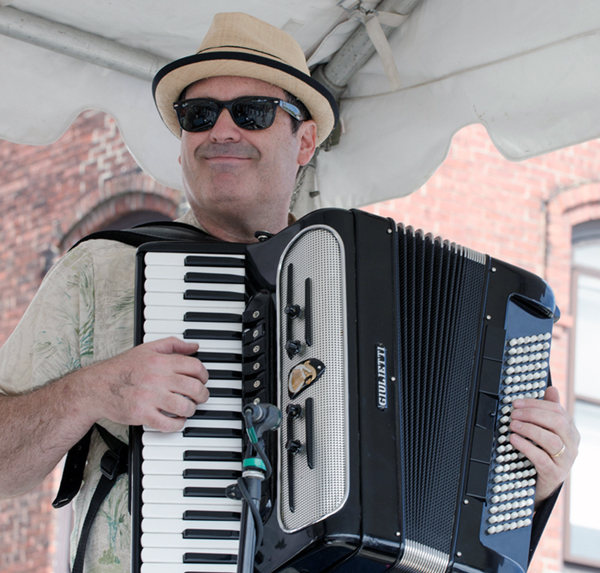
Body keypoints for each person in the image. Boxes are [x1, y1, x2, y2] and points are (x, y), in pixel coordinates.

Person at [0, 11, 579, 573]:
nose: (220, 129)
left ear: (304, 142)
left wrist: (528, 477)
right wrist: (86, 394)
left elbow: (453, 528)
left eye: (252, 112)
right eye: (198, 114)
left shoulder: (360, 283)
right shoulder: (101, 270)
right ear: (180, 142)